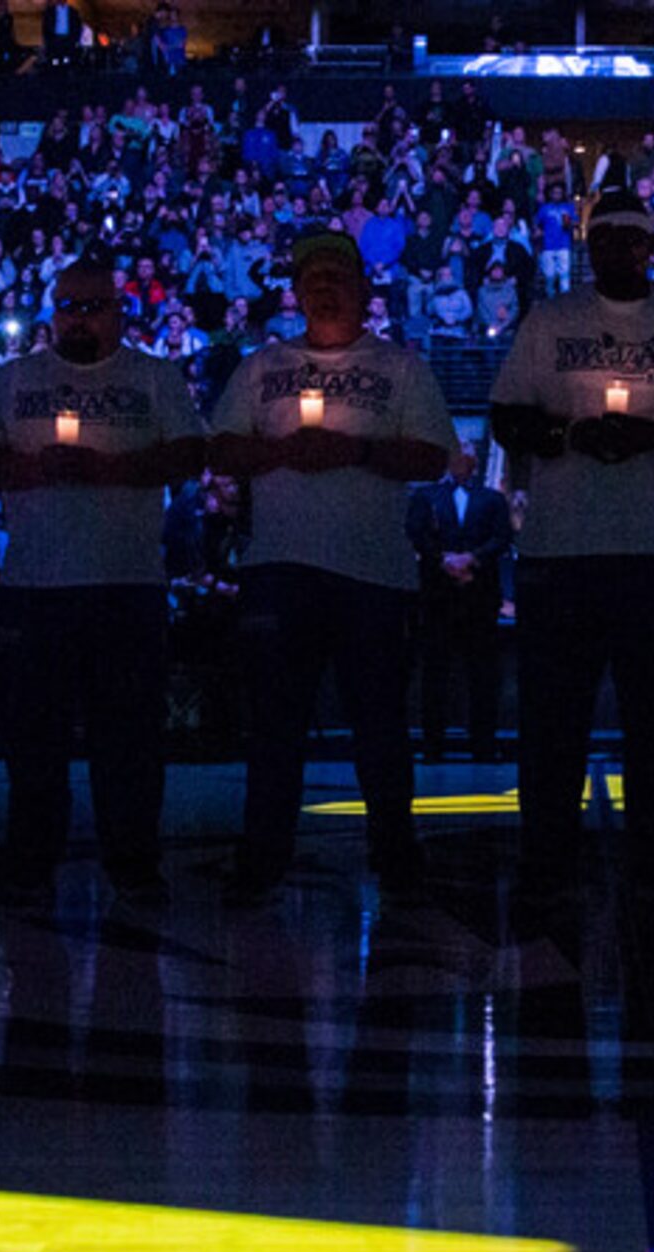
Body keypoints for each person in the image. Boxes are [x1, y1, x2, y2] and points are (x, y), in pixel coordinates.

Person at [488, 189, 654, 901]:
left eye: (630, 241)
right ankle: (545, 863)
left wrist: (653, 435)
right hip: (559, 551)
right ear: (589, 247)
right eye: (604, 241)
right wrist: (571, 433)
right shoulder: (551, 319)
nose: (617, 251)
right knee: (550, 726)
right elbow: (507, 414)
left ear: (649, 247)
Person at [205, 230, 455, 905]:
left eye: (335, 273)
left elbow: (433, 456)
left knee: (379, 723)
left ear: (362, 290)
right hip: (279, 567)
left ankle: (396, 850)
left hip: (372, 574)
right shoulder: (261, 368)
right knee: (275, 722)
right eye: (310, 274)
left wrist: (353, 451)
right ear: (295, 289)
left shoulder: (400, 369)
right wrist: (286, 450)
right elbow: (222, 446)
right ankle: (263, 855)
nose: (322, 285)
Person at [0, 256, 206, 906]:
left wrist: (109, 469)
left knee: (128, 737)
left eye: (92, 306)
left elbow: (189, 451)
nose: (77, 318)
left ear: (119, 312)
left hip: (126, 583)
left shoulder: (153, 377)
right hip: (35, 582)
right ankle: (31, 857)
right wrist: (29, 466)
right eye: (67, 306)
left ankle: (132, 860)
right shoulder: (16, 379)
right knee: (32, 737)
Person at [404, 441, 513, 763]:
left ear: (474, 462)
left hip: (479, 596)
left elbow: (502, 536)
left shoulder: (491, 499)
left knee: (483, 673)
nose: (460, 461)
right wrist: (443, 560)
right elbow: (415, 532)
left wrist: (472, 559)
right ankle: (433, 744)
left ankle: (483, 743)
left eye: (465, 456)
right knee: (435, 672)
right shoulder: (427, 497)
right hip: (438, 594)